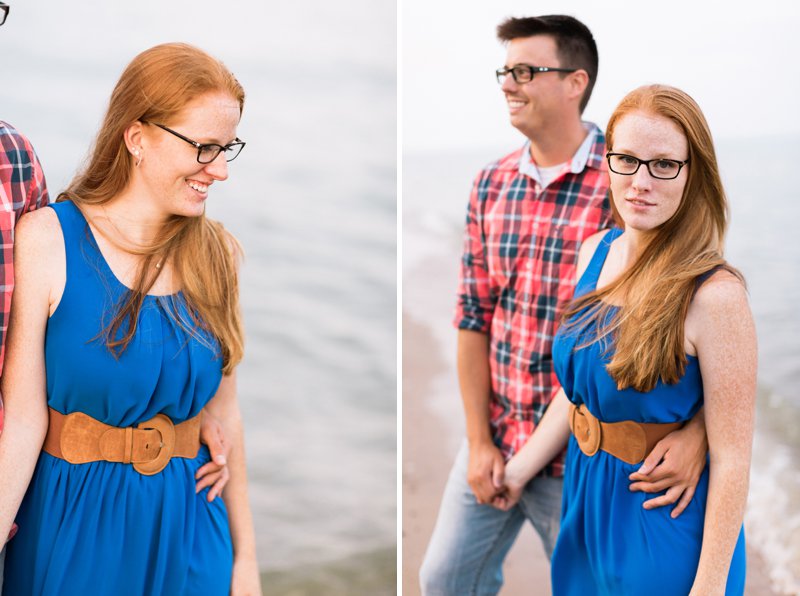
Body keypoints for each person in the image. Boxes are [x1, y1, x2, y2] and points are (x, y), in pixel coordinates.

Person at [419, 16, 709, 595]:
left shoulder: (629, 173)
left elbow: (702, 310)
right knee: (443, 580)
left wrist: (701, 431)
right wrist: (478, 440)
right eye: (505, 70)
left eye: (526, 70)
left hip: (587, 456)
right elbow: (473, 318)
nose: (508, 83)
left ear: (576, 82)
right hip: (500, 437)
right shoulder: (490, 183)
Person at [0, 42, 260, 594]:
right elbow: (23, 422)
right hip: (71, 527)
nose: (219, 171)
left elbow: (228, 418)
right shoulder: (47, 240)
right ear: (137, 137)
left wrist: (246, 564)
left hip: (195, 528)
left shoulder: (221, 256)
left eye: (227, 148)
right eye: (204, 148)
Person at [492, 84, 756, 594]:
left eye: (663, 165)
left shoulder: (715, 296)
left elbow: (733, 458)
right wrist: (519, 468)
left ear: (692, 173)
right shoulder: (595, 251)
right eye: (627, 160)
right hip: (586, 504)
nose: (640, 182)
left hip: (661, 521)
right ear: (607, 161)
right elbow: (578, 392)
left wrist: (709, 587)